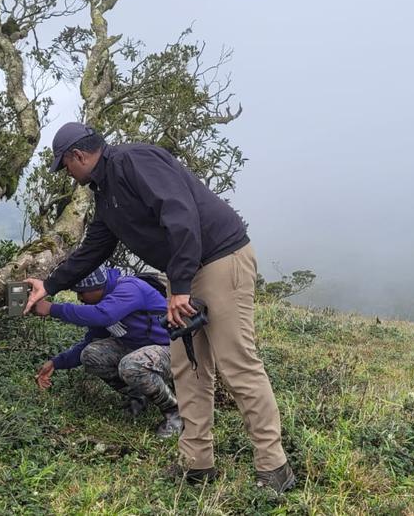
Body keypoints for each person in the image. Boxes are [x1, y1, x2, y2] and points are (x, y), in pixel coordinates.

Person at [23, 122, 294, 493]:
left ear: (79, 156)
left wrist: (179, 286)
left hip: (218, 259)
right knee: (188, 368)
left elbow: (179, 213)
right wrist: (49, 285)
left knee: (237, 364)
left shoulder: (135, 161)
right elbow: (93, 249)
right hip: (183, 273)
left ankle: (274, 467)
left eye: (65, 166)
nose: (67, 174)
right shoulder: (106, 194)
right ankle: (196, 464)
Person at [30, 265, 182, 437]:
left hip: (173, 350)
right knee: (91, 354)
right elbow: (92, 340)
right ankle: (139, 396)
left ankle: (174, 412)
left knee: (132, 364)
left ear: (96, 287)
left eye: (81, 292)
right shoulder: (101, 302)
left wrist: (52, 309)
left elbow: (104, 315)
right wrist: (56, 363)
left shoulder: (129, 288)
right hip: (139, 351)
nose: (79, 298)